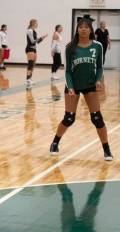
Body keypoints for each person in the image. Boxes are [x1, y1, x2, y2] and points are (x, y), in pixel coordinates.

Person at [49, 18, 113, 161]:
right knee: (69, 118)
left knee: (97, 119)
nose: (83, 29)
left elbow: (100, 67)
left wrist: (98, 80)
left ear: (91, 30)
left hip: (90, 86)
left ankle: (107, 149)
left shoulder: (97, 46)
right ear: (77, 29)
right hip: (73, 86)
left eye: (86, 27)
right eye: (80, 27)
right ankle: (55, 143)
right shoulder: (70, 47)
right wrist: (70, 87)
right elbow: (67, 72)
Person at [25, 19, 48, 88]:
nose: (37, 24)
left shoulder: (34, 31)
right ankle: (28, 79)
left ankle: (30, 78)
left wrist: (42, 38)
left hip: (34, 49)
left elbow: (37, 42)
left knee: (33, 64)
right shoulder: (30, 31)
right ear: (33, 23)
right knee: (30, 63)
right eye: (36, 23)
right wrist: (40, 38)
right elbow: (32, 41)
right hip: (29, 48)